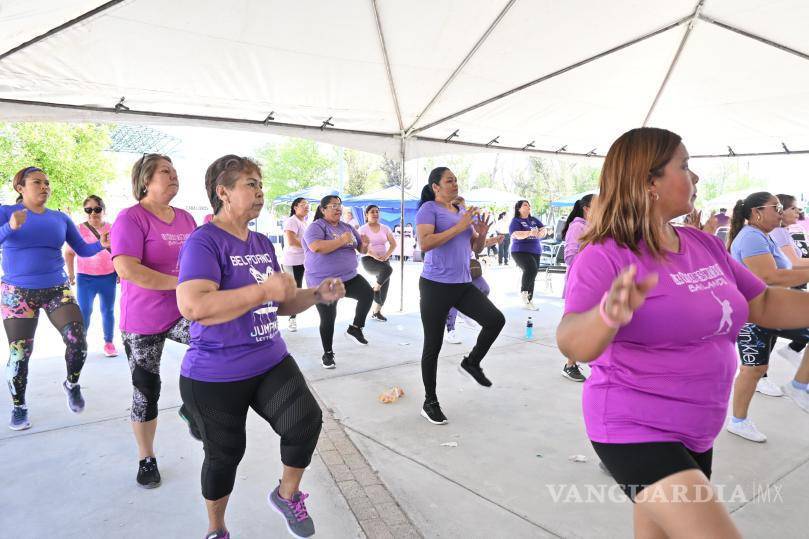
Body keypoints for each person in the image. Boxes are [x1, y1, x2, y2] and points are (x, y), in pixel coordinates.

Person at [557, 127, 809, 538]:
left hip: (696, 428)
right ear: (649, 182)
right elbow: (571, 340)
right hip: (634, 426)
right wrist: (606, 315)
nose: (696, 178)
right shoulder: (604, 254)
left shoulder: (701, 244)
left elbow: (763, 303)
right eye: (685, 166)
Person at [177, 155, 343, 539]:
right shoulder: (204, 242)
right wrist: (262, 290)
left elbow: (279, 304)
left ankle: (288, 495)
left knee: (304, 423)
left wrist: (316, 294)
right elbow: (194, 306)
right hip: (216, 371)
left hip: (269, 359)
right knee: (225, 456)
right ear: (223, 191)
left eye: (260, 184)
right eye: (250, 183)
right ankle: (216, 529)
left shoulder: (260, 242)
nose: (260, 192)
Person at [111, 153, 197, 488]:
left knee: (217, 342)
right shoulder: (131, 218)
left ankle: (192, 407)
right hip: (142, 321)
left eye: (175, 171)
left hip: (181, 311)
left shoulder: (187, 218)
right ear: (146, 180)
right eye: (166, 172)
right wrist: (181, 282)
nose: (174, 176)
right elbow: (127, 269)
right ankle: (146, 457)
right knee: (147, 390)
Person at [1, 167, 109, 430]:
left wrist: (101, 245)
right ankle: (19, 406)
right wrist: (9, 227)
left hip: (56, 289)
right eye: (37, 182)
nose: (44, 187)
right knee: (20, 354)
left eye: (47, 183)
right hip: (17, 293)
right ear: (20, 188)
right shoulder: (6, 212)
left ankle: (71, 383)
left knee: (77, 339)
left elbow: (82, 249)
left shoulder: (59, 219)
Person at [416, 167, 505, 425]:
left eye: (456, 180)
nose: (455, 184)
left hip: (463, 283)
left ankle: (472, 362)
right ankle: (430, 401)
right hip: (435, 285)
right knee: (433, 345)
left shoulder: (460, 212)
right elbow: (425, 243)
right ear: (436, 186)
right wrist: (461, 226)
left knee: (495, 320)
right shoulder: (428, 210)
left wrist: (481, 232)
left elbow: (474, 247)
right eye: (449, 181)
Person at [726, 192, 809, 442]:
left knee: (757, 368)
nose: (781, 211)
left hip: (772, 309)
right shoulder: (751, 236)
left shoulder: (763, 236)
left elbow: (786, 268)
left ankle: (798, 384)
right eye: (777, 207)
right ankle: (738, 421)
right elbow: (768, 276)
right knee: (753, 370)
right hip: (754, 314)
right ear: (756, 212)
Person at [303, 195, 372, 368]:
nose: (337, 208)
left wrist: (365, 244)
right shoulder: (316, 227)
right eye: (333, 205)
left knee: (367, 294)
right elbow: (316, 247)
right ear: (323, 209)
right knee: (328, 318)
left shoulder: (347, 227)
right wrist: (341, 240)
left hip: (349, 277)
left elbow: (361, 249)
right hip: (323, 282)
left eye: (339, 205)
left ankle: (356, 327)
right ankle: (328, 353)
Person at [65, 195, 118, 358]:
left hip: (108, 277)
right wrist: (71, 274)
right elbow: (69, 253)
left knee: (107, 310)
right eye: (88, 210)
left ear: (103, 210)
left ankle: (109, 343)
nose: (93, 213)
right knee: (84, 311)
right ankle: (82, 343)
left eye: (97, 209)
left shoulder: (113, 228)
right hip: (85, 279)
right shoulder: (78, 229)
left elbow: (119, 252)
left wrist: (121, 272)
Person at [558, 194, 597, 382]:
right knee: (579, 327)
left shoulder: (595, 227)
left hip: (595, 282)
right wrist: (590, 244)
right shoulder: (577, 227)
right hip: (581, 283)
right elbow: (570, 258)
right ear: (587, 209)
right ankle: (570, 365)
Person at [358, 205, 397, 322]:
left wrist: (387, 255)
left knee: (385, 287)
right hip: (368, 259)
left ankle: (377, 312)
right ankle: (375, 289)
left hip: (384, 259)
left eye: (377, 212)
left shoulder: (385, 228)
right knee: (388, 270)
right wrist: (374, 255)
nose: (375, 214)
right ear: (366, 215)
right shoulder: (363, 229)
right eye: (372, 212)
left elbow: (393, 244)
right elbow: (361, 247)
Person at [509, 200, 547, 311]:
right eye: (525, 205)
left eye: (529, 205)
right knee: (531, 268)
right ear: (518, 209)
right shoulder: (516, 221)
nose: (528, 206)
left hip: (535, 251)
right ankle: (524, 292)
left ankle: (529, 300)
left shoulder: (533, 219)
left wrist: (541, 232)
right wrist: (529, 233)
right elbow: (515, 234)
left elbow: (544, 229)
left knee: (533, 273)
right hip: (520, 251)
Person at [282, 197, 310, 332]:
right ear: (295, 207)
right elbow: (292, 241)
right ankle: (291, 319)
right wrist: (310, 247)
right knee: (295, 290)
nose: (306, 207)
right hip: (292, 262)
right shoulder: (292, 221)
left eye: (308, 205)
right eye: (303, 205)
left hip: (303, 261)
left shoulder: (304, 222)